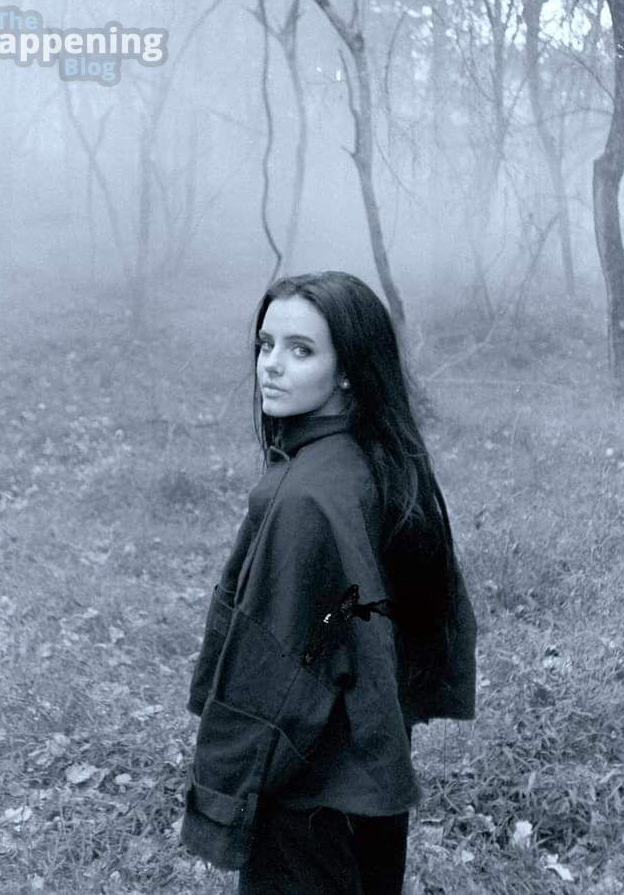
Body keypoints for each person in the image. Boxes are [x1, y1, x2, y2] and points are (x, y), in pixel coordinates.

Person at [181, 271, 477, 894]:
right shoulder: (380, 459)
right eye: (266, 345)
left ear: (348, 370)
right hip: (369, 782)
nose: (271, 365)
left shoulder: (309, 497)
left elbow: (276, 664)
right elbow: (359, 623)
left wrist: (226, 788)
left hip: (308, 798)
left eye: (301, 350)